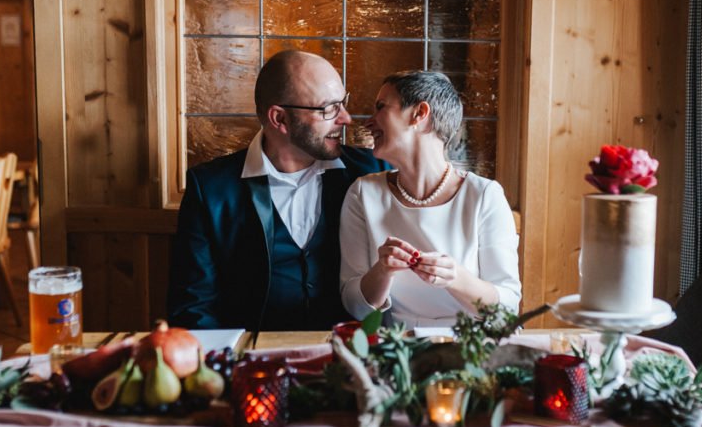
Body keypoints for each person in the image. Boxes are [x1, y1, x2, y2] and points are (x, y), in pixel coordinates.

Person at [168, 50, 389, 331]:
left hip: (354, 351)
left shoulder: (372, 172)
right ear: (279, 119)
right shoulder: (210, 189)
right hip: (251, 353)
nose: (345, 118)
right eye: (328, 109)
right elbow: (193, 307)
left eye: (342, 103)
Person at [339, 70, 521, 328]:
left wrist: (455, 278)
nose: (369, 122)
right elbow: (355, 307)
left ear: (419, 114)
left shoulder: (484, 195)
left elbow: (507, 309)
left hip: (471, 343)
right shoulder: (363, 194)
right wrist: (383, 270)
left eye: (381, 107)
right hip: (395, 344)